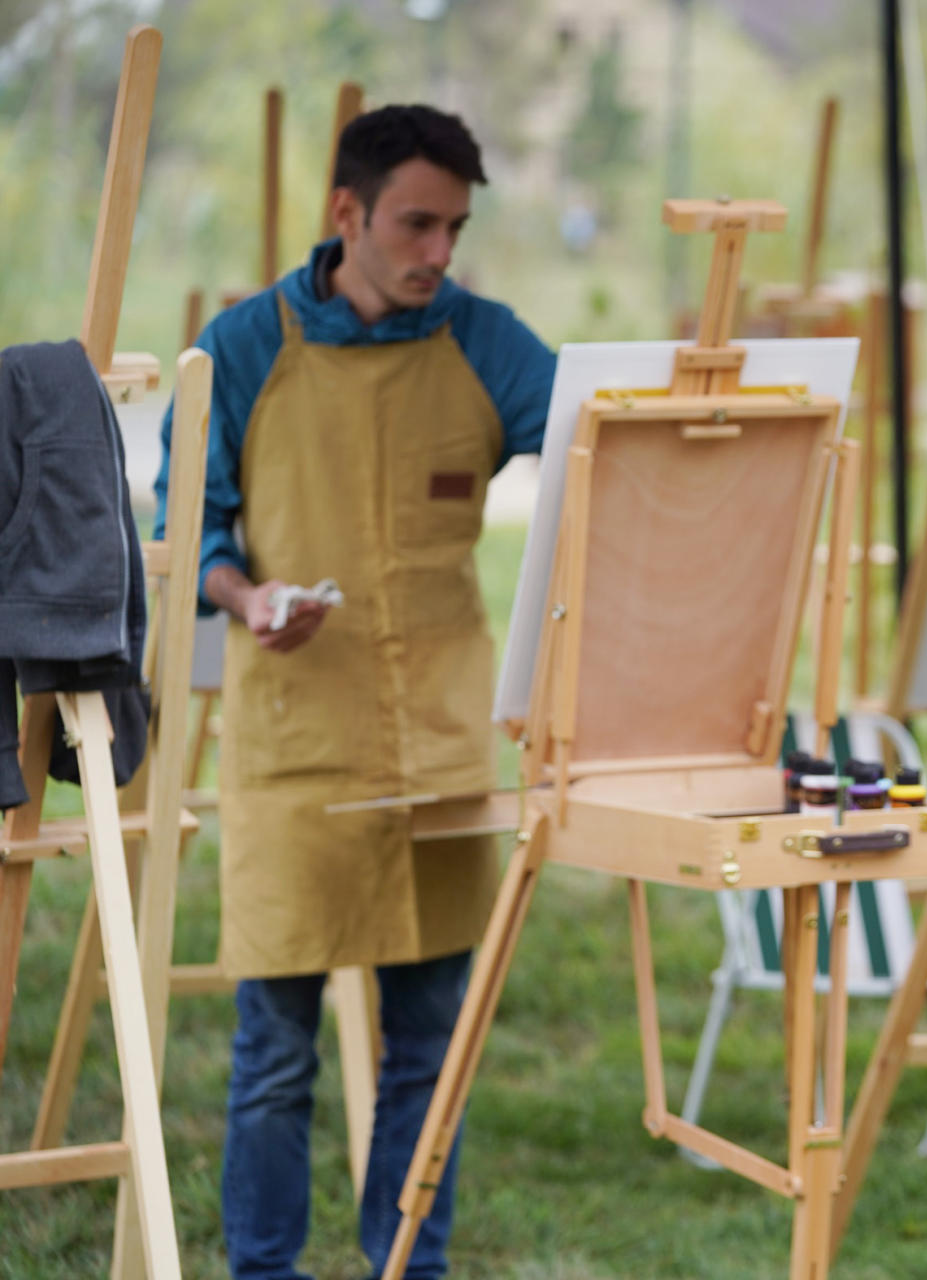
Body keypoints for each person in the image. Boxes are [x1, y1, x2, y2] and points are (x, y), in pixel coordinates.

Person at [154, 104, 555, 1280]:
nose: (439, 252)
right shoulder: (241, 347)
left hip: (439, 749)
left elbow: (594, 447)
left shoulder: (487, 339)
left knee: (430, 1044)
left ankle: (407, 1269)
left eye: (455, 227)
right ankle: (263, 1271)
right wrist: (250, 599)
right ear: (348, 215)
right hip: (297, 750)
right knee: (275, 1051)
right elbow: (193, 533)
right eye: (417, 223)